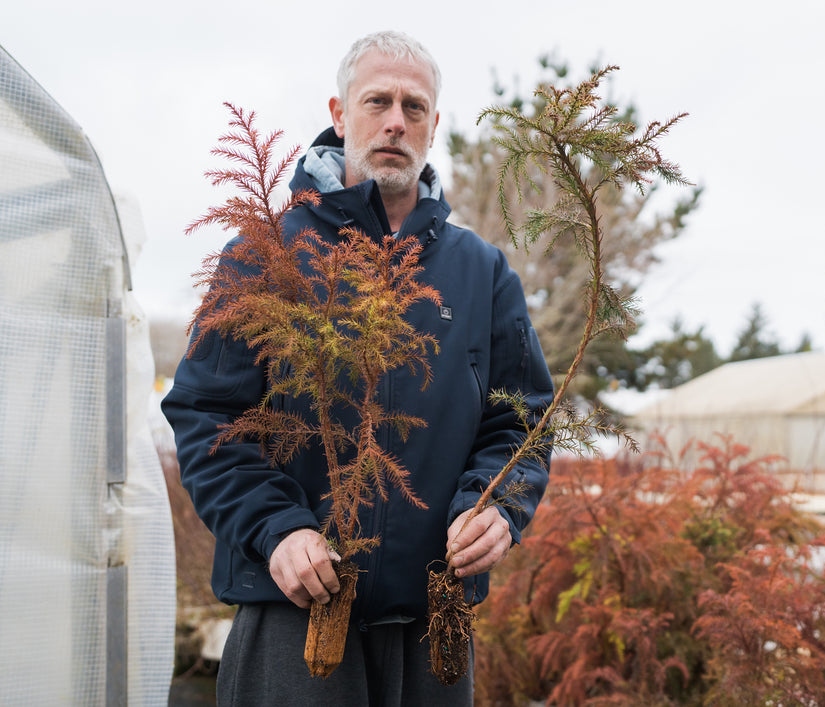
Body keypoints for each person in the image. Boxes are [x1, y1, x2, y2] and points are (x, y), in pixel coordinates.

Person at [162, 30, 553, 706]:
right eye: (378, 101)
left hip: (435, 626)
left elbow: (522, 421)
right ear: (341, 115)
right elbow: (204, 416)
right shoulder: (265, 255)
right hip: (297, 611)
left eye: (416, 107)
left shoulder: (480, 272)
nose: (396, 120)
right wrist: (275, 526)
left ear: (433, 127)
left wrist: (497, 507)